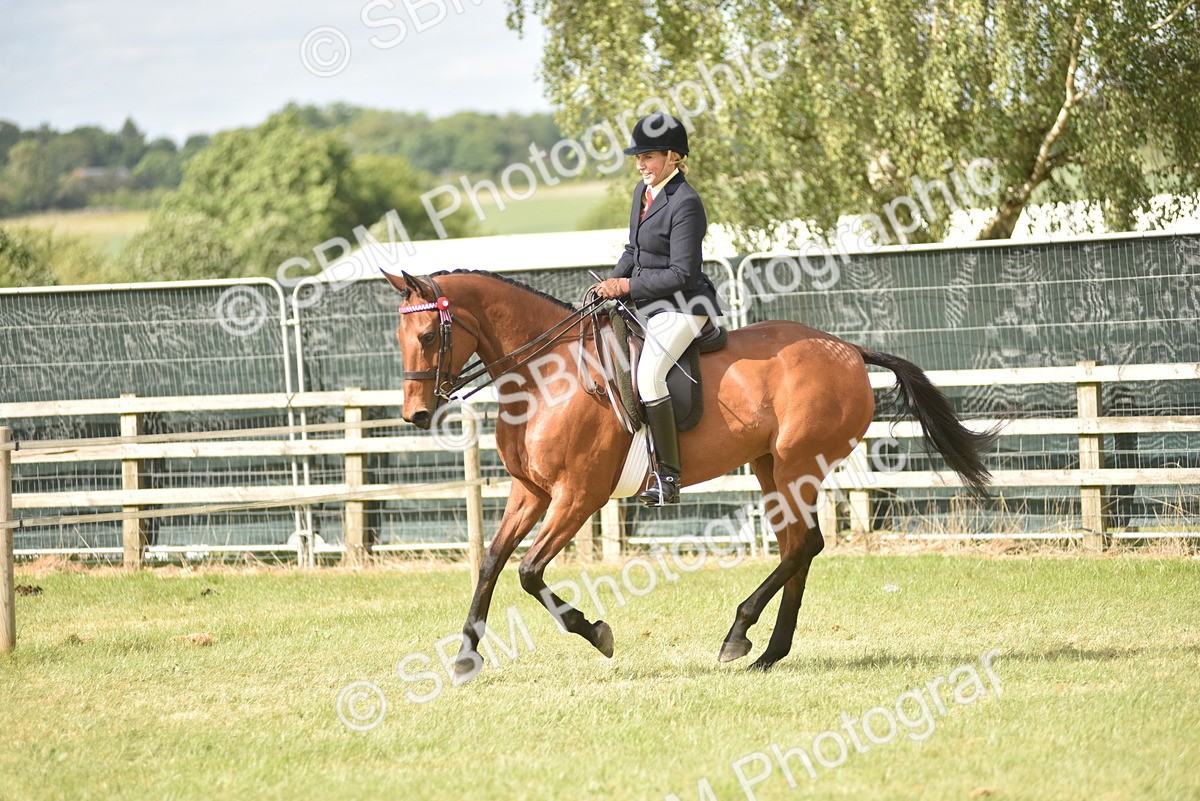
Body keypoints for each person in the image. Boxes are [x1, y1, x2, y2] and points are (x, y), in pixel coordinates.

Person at [591, 111, 722, 507]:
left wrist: (626, 285)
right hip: (646, 302)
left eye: (648, 156)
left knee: (649, 376)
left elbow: (683, 272)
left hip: (684, 305)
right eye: (638, 157)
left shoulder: (686, 202)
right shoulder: (642, 192)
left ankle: (668, 476)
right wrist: (607, 286)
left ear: (673, 157)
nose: (640, 164)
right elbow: (634, 250)